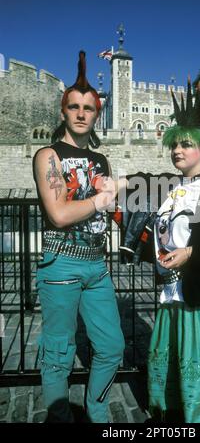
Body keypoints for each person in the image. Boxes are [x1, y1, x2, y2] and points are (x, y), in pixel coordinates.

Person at [122, 77, 200, 423]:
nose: (178, 151)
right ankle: (177, 415)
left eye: (187, 145)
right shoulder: (171, 186)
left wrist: (191, 253)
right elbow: (142, 186)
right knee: (176, 361)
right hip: (172, 294)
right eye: (175, 145)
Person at [33, 51, 125, 423]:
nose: (82, 113)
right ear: (63, 113)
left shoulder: (101, 161)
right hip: (62, 264)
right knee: (58, 353)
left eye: (89, 107)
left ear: (96, 114)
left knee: (112, 347)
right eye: (74, 107)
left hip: (97, 266)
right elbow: (58, 214)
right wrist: (101, 198)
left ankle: (97, 412)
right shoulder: (48, 156)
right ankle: (61, 419)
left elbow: (110, 212)